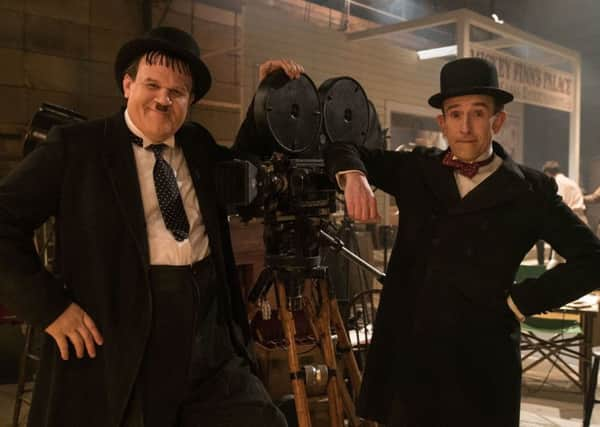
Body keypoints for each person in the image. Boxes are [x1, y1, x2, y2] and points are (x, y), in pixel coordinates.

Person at [0, 26, 303, 427]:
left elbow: (240, 167)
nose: (163, 99)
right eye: (152, 84)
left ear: (190, 102)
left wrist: (268, 101)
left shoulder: (196, 144)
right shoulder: (77, 148)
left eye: (177, 92)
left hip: (208, 343)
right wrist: (50, 307)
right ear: (127, 85)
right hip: (122, 343)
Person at [325, 57, 600, 426]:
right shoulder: (417, 171)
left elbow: (593, 259)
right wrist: (355, 175)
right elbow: (341, 147)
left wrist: (521, 302)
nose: (466, 127)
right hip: (411, 360)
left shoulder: (530, 190)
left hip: (481, 365)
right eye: (455, 114)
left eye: (478, 113)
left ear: (497, 121)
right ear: (442, 122)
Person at [542, 160, 588, 224]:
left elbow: (559, 203)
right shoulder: (569, 181)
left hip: (572, 219)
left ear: (548, 173)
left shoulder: (557, 182)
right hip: (580, 217)